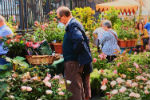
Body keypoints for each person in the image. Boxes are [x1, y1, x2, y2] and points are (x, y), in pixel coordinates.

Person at [56, 6, 92, 100]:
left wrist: (74, 53)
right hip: (75, 60)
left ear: (64, 16)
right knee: (77, 87)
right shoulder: (73, 23)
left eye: (59, 18)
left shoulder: (72, 24)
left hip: (73, 61)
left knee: (73, 88)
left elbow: (79, 39)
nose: (59, 20)